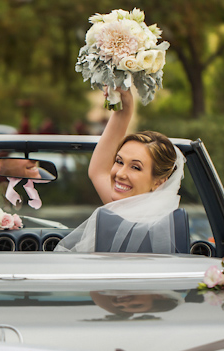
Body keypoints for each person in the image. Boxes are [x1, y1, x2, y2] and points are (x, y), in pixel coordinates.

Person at [55, 89, 186, 252]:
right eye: (119, 161)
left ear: (159, 182)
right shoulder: (127, 206)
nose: (120, 173)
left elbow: (98, 171)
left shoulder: (134, 214)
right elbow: (98, 171)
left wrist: (125, 110)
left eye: (135, 167)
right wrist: (124, 110)